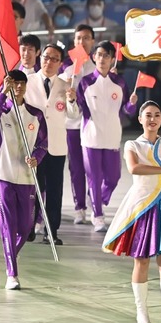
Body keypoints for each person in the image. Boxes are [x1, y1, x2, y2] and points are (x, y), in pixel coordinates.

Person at [102, 101, 161, 323]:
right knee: (141, 260)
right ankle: (141, 314)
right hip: (141, 205)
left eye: (157, 115)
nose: (153, 119)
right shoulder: (132, 145)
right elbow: (134, 168)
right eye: (148, 115)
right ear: (140, 119)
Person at [0, 69, 48, 290]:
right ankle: (12, 273)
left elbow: (43, 144)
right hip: (4, 174)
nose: (18, 86)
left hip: (27, 177)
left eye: (21, 83)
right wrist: (3, 92)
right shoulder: (1, 110)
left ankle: (11, 253)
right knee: (8, 226)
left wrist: (36, 158)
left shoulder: (36, 114)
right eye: (14, 83)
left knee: (25, 227)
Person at [76, 40, 138, 232]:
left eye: (106, 56)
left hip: (112, 137)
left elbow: (127, 111)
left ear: (112, 59)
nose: (102, 59)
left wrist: (132, 104)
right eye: (99, 55)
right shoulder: (86, 82)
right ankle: (98, 217)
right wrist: (70, 100)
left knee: (113, 177)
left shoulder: (119, 82)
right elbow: (77, 109)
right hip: (91, 138)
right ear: (94, 57)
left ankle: (98, 199)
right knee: (94, 178)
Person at [25, 43, 75, 244]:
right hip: (34, 146)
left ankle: (51, 231)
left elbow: (74, 115)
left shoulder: (65, 86)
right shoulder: (28, 82)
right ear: (40, 58)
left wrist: (72, 100)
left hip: (56, 147)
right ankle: (28, 227)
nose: (49, 62)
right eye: (46, 57)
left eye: (54, 59)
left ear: (60, 63)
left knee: (55, 191)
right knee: (33, 190)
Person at [63, 24, 95, 225]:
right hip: (72, 126)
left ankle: (94, 202)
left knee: (92, 167)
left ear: (92, 41)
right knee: (76, 167)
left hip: (92, 126)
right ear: (74, 42)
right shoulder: (66, 68)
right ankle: (79, 207)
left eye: (86, 38)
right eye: (78, 38)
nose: (82, 42)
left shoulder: (98, 67)